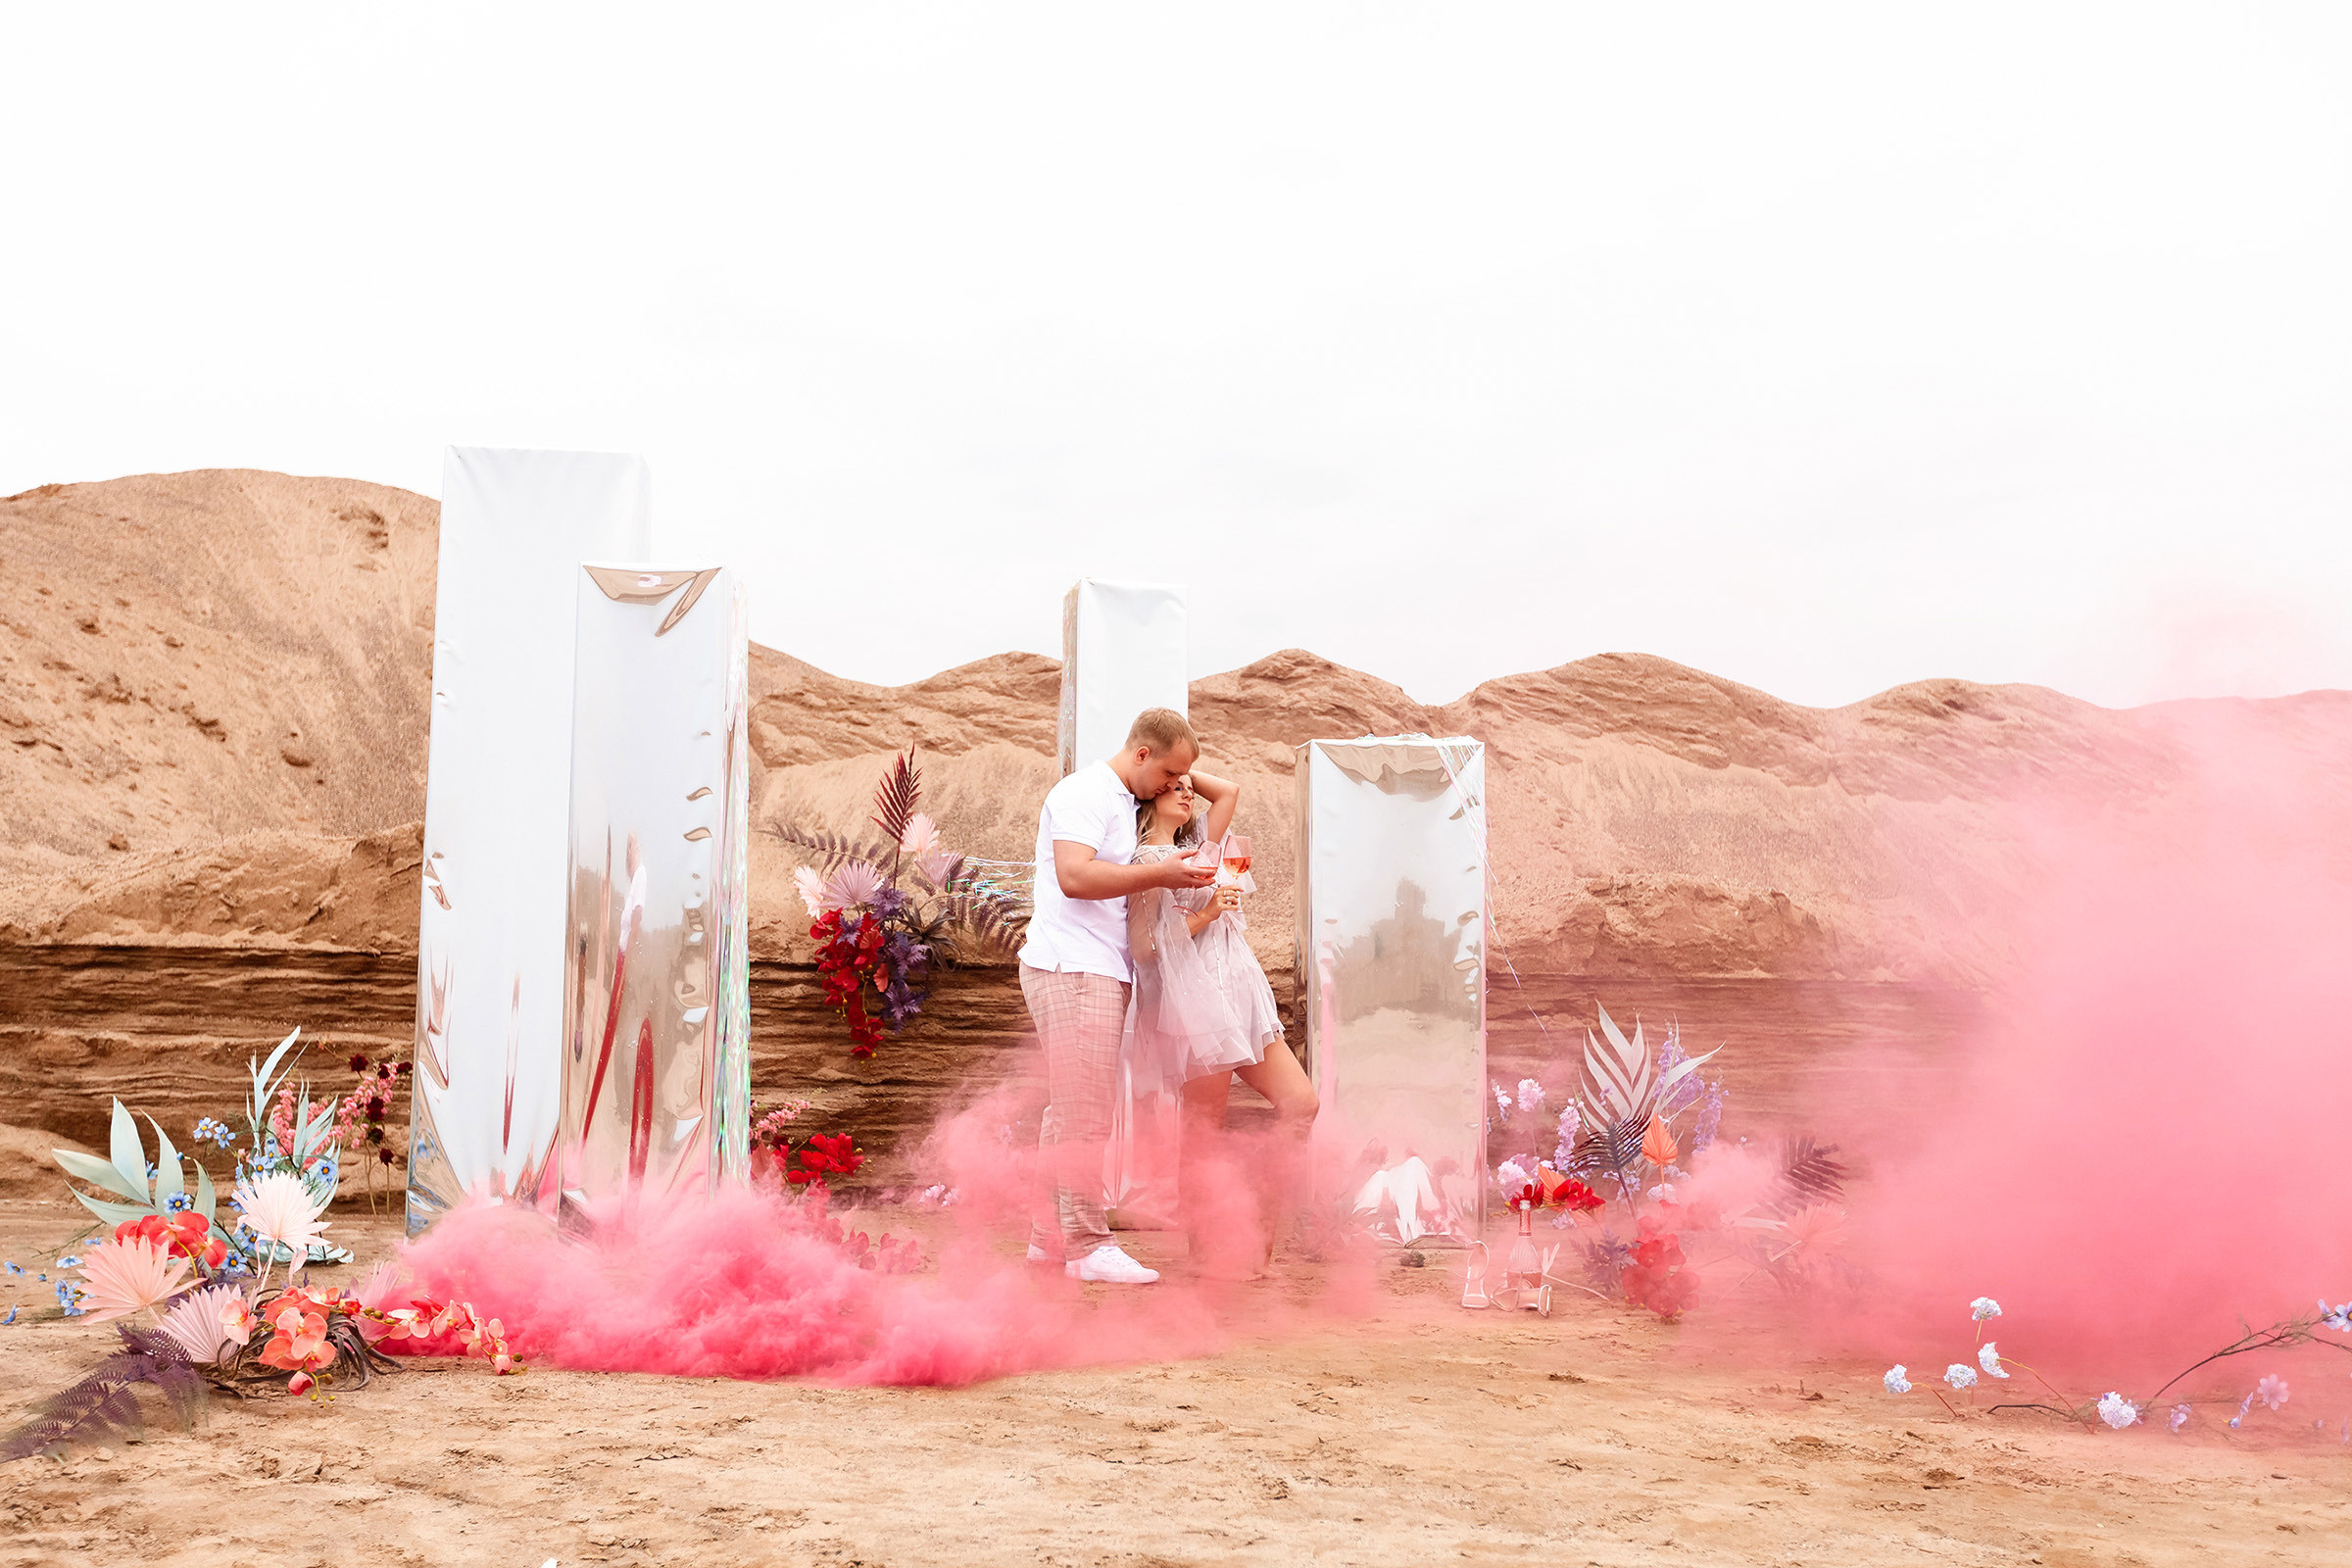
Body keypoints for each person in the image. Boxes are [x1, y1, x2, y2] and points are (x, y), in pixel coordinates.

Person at [1018, 707, 1215, 1284]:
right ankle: (1085, 1246)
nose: (1175, 787)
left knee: (1066, 1112)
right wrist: (1160, 876)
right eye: (1169, 774)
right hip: (1074, 967)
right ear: (1141, 755)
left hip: (1093, 967)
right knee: (1084, 1115)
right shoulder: (1085, 793)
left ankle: (1047, 1237)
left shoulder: (1123, 801)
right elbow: (1074, 877)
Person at [1125, 770, 1318, 1278]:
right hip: (1197, 1004)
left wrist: (1182, 768)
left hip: (1241, 994)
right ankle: (1210, 1256)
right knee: (1202, 1133)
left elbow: (1229, 791)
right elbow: (1145, 947)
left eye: (1190, 784)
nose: (1188, 791)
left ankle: (1256, 1244)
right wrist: (1209, 912)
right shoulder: (1146, 862)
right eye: (1175, 784)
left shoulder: (1202, 848)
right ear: (1150, 792)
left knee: (1302, 1104)